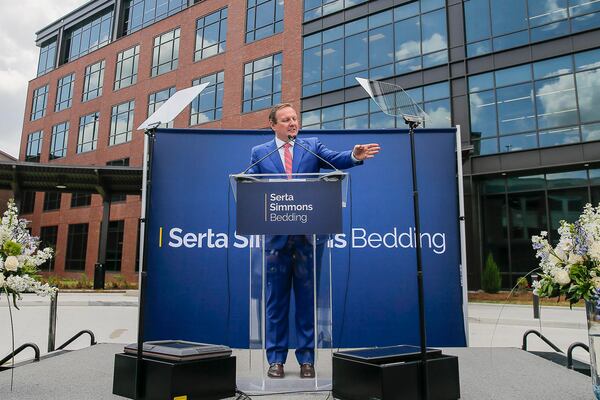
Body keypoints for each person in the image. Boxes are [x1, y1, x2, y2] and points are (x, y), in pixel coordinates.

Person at [246, 103, 380, 379]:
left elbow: (336, 160)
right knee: (276, 303)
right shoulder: (261, 152)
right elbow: (249, 182)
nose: (292, 123)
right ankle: (276, 360)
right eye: (286, 120)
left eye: (295, 118)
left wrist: (354, 155)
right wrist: (243, 183)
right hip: (275, 242)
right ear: (273, 125)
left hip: (309, 239)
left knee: (307, 301)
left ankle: (307, 359)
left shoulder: (311, 146)